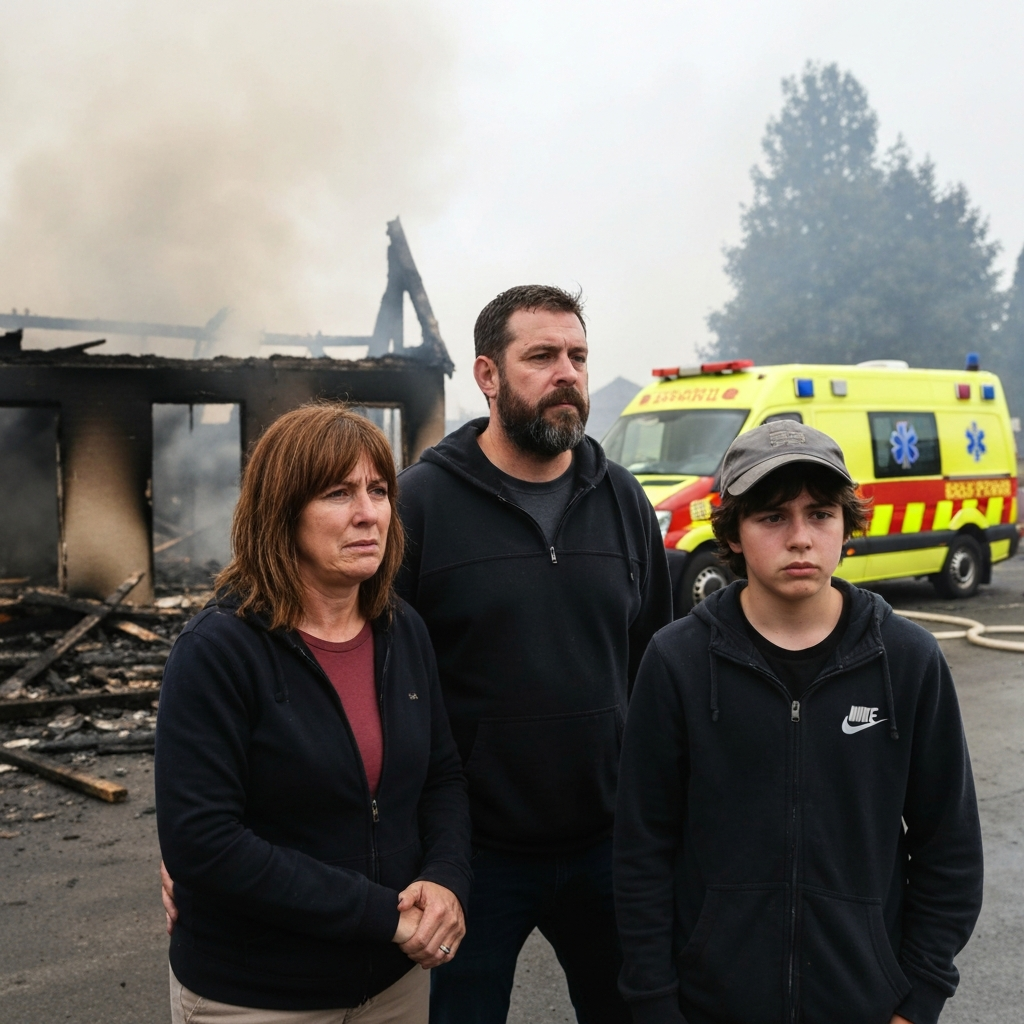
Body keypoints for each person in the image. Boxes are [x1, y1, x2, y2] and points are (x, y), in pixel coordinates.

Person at [613, 421, 984, 1024]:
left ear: (847, 525)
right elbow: (641, 850)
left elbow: (951, 848)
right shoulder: (675, 660)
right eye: (771, 518)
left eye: (820, 514)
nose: (801, 539)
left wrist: (918, 999)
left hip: (867, 1003)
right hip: (711, 1003)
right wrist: (654, 1002)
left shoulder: (910, 659)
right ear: (731, 532)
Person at [396, 284, 673, 1024]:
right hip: (470, 855)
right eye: (542, 356)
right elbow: (381, 677)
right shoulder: (419, 504)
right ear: (487, 375)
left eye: (578, 356)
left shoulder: (623, 500)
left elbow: (654, 668)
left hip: (609, 846)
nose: (568, 374)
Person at [155, 404, 472, 1024]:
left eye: (379, 491)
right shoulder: (218, 650)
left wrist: (446, 878)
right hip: (257, 994)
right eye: (338, 493)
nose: (368, 513)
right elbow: (203, 842)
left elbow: (442, 776)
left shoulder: (402, 631)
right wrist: (385, 915)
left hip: (392, 988)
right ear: (283, 512)